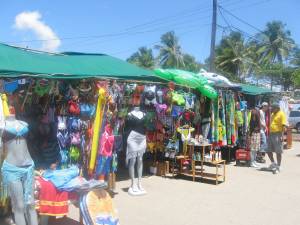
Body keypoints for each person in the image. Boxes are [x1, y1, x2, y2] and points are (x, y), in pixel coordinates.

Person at [0, 107, 38, 225]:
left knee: (31, 204)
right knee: (19, 206)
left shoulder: (23, 123)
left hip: (29, 167)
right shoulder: (2, 126)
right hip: (12, 169)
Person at [267, 104, 287, 174]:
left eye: (273, 107)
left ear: (277, 108)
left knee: (278, 151)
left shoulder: (281, 114)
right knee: (268, 150)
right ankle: (273, 163)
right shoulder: (272, 114)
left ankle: (278, 166)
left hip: (278, 134)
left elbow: (284, 126)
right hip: (271, 134)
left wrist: (282, 136)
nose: (271, 108)